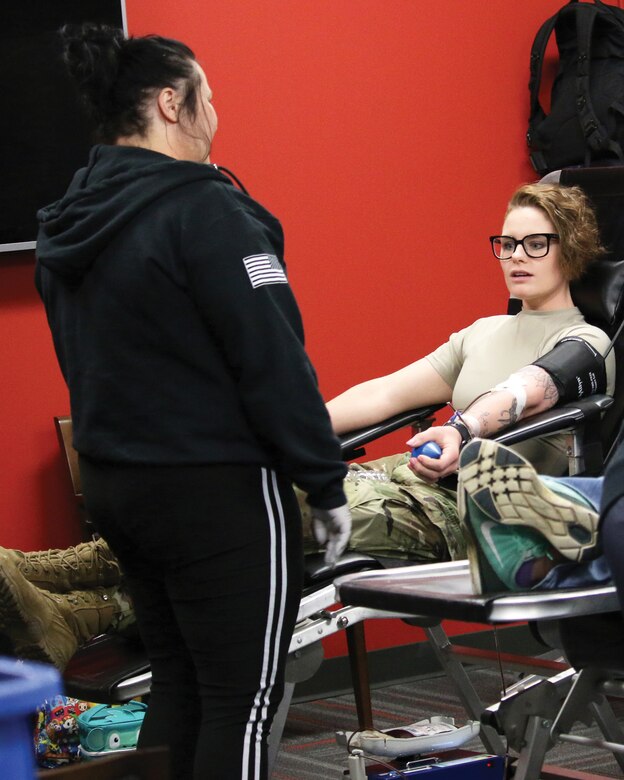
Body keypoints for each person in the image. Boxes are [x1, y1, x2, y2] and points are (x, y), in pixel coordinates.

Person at [0, 181, 615, 663]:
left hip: (470, 511)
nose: (516, 257)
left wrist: (462, 430)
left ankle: (74, 601)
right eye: (506, 244)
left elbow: (526, 391)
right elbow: (384, 394)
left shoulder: (587, 341)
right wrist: (276, 424)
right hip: (401, 478)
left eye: (536, 243)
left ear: (572, 248)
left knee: (251, 511)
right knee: (240, 486)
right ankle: (65, 593)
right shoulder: (481, 333)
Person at [33, 24, 351, 780]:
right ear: (172, 103)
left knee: (177, 685)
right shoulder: (207, 213)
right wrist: (325, 482)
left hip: (118, 487)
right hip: (219, 492)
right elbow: (273, 361)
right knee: (242, 701)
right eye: (208, 96)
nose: (217, 113)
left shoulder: (70, 222)